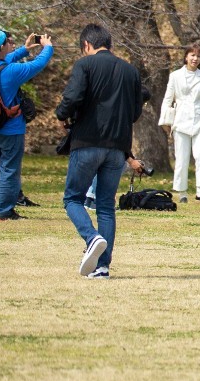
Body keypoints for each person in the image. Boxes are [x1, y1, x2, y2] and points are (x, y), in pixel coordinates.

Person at [55, 23, 146, 278]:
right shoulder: (130, 71)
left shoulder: (85, 65)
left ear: (86, 45)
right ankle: (102, 266)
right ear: (109, 43)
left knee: (73, 198)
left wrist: (62, 115)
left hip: (87, 142)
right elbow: (136, 111)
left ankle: (91, 237)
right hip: (118, 148)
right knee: (106, 206)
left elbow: (72, 98)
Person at [0, 28, 55, 221]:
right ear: (2, 47)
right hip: (11, 129)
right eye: (9, 42)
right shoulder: (12, 72)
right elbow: (38, 64)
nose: (12, 45)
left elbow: (4, 61)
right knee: (9, 170)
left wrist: (24, 50)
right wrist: (48, 48)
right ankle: (4, 211)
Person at [158, 46, 200, 203]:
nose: (195, 59)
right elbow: (168, 99)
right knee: (182, 158)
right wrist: (165, 120)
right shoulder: (175, 76)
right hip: (181, 121)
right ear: (186, 57)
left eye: (198, 56)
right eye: (192, 55)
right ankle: (182, 193)